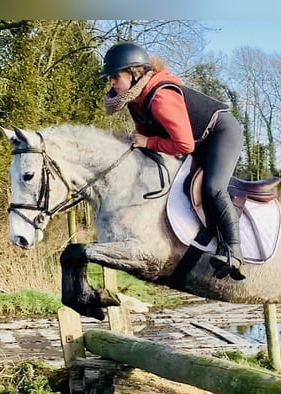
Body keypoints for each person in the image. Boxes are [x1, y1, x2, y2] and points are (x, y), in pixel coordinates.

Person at [101, 42, 246, 280]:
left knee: (213, 187)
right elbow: (148, 139)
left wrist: (147, 143)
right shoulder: (135, 101)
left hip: (221, 133)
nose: (112, 83)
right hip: (198, 140)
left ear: (134, 73)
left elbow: (183, 145)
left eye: (115, 77)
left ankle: (233, 250)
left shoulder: (160, 99)